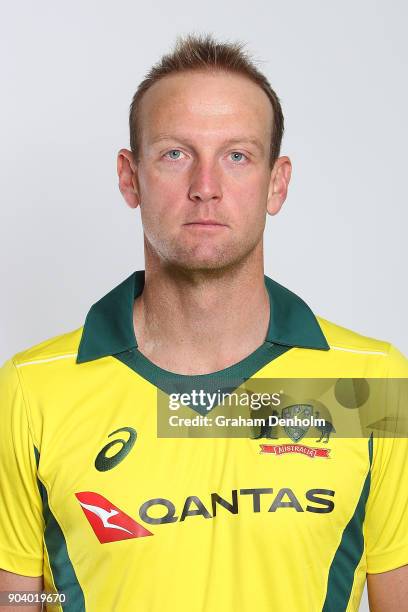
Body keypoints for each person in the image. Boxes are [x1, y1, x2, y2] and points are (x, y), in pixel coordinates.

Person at [0, 33, 407, 612]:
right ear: (130, 177)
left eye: (237, 155)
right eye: (175, 153)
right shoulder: (31, 388)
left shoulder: (369, 385)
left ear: (277, 182)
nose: (206, 188)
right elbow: (15, 601)